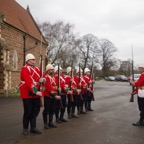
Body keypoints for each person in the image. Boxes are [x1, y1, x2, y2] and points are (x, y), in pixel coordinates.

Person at [19, 53, 43, 135]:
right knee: (28, 112)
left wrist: (43, 80)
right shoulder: (25, 69)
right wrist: (36, 91)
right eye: (32, 60)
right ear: (27, 60)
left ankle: (33, 127)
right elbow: (29, 82)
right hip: (28, 93)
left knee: (35, 111)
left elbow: (41, 78)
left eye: (34, 60)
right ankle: (25, 128)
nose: (33, 61)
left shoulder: (37, 69)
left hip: (35, 93)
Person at [42, 64, 61, 129]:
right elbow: (48, 87)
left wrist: (58, 88)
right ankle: (45, 123)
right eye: (51, 69)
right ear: (47, 70)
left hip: (53, 96)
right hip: (48, 96)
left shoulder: (53, 77)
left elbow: (54, 86)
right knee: (46, 110)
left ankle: (50, 122)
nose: (52, 71)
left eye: (53, 69)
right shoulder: (45, 77)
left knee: (52, 109)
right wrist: (55, 95)